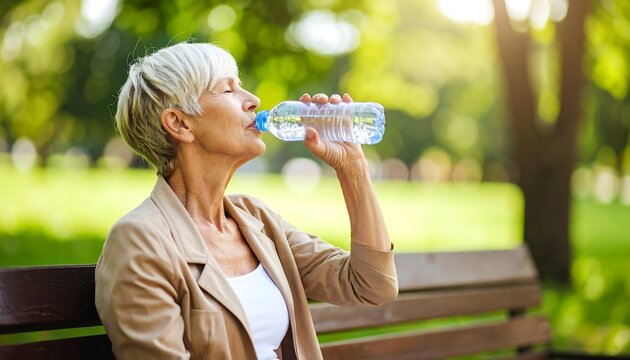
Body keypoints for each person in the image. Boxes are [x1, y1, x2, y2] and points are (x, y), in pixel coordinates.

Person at [95, 42, 398, 360]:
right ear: (180, 124)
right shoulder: (139, 241)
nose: (253, 100)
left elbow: (372, 286)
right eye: (227, 90)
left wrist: (352, 170)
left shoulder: (256, 221)